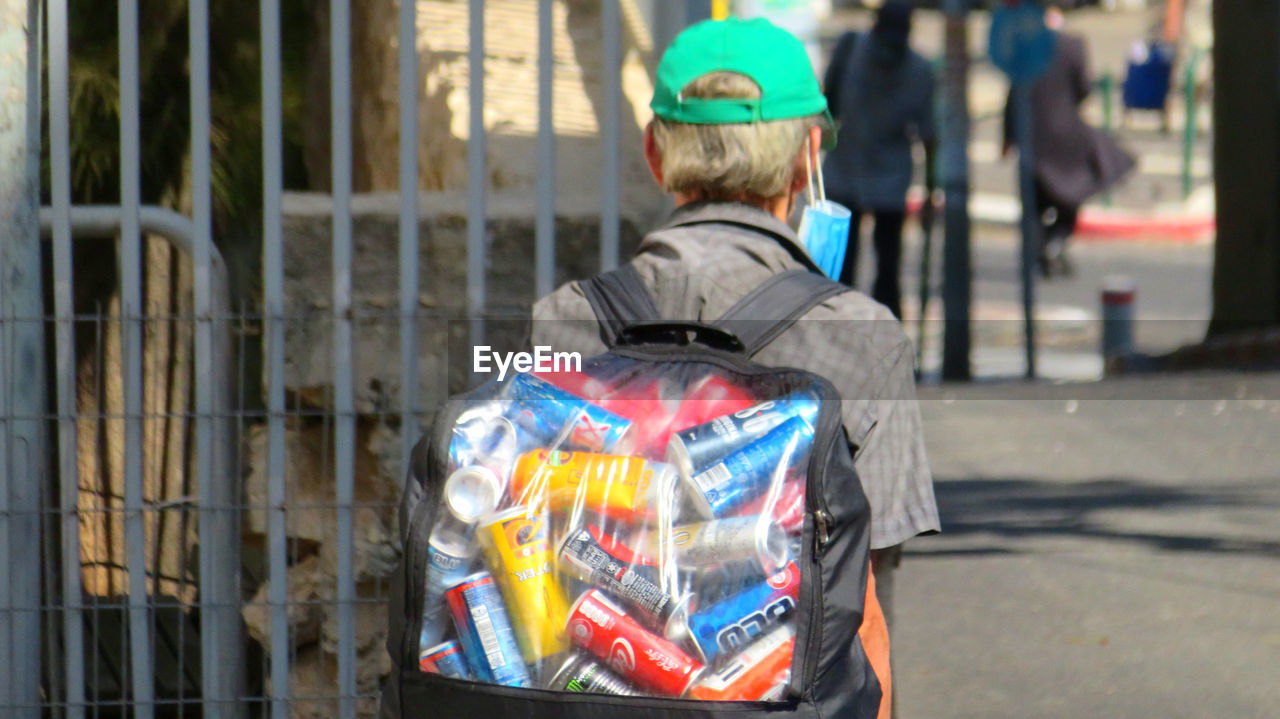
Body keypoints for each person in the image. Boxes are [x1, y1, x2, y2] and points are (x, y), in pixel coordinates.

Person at [530, 17, 939, 718]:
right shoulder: (863, 336)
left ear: (656, 154)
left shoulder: (563, 320)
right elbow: (868, 602)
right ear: (808, 155)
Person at [822, 1, 937, 319]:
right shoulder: (849, 50)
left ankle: (886, 340)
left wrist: (930, 193)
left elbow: (929, 136)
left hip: (889, 179)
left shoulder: (919, 71)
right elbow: (825, 107)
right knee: (840, 270)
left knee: (888, 270)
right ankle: (837, 333)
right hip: (845, 171)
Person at [1004, 6, 1136, 278]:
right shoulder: (1072, 46)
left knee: (1033, 206)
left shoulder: (1026, 48)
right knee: (1074, 195)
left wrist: (1008, 137)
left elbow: (1012, 96)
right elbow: (1083, 89)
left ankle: (1042, 249)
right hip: (1065, 138)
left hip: (1032, 138)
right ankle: (1053, 242)